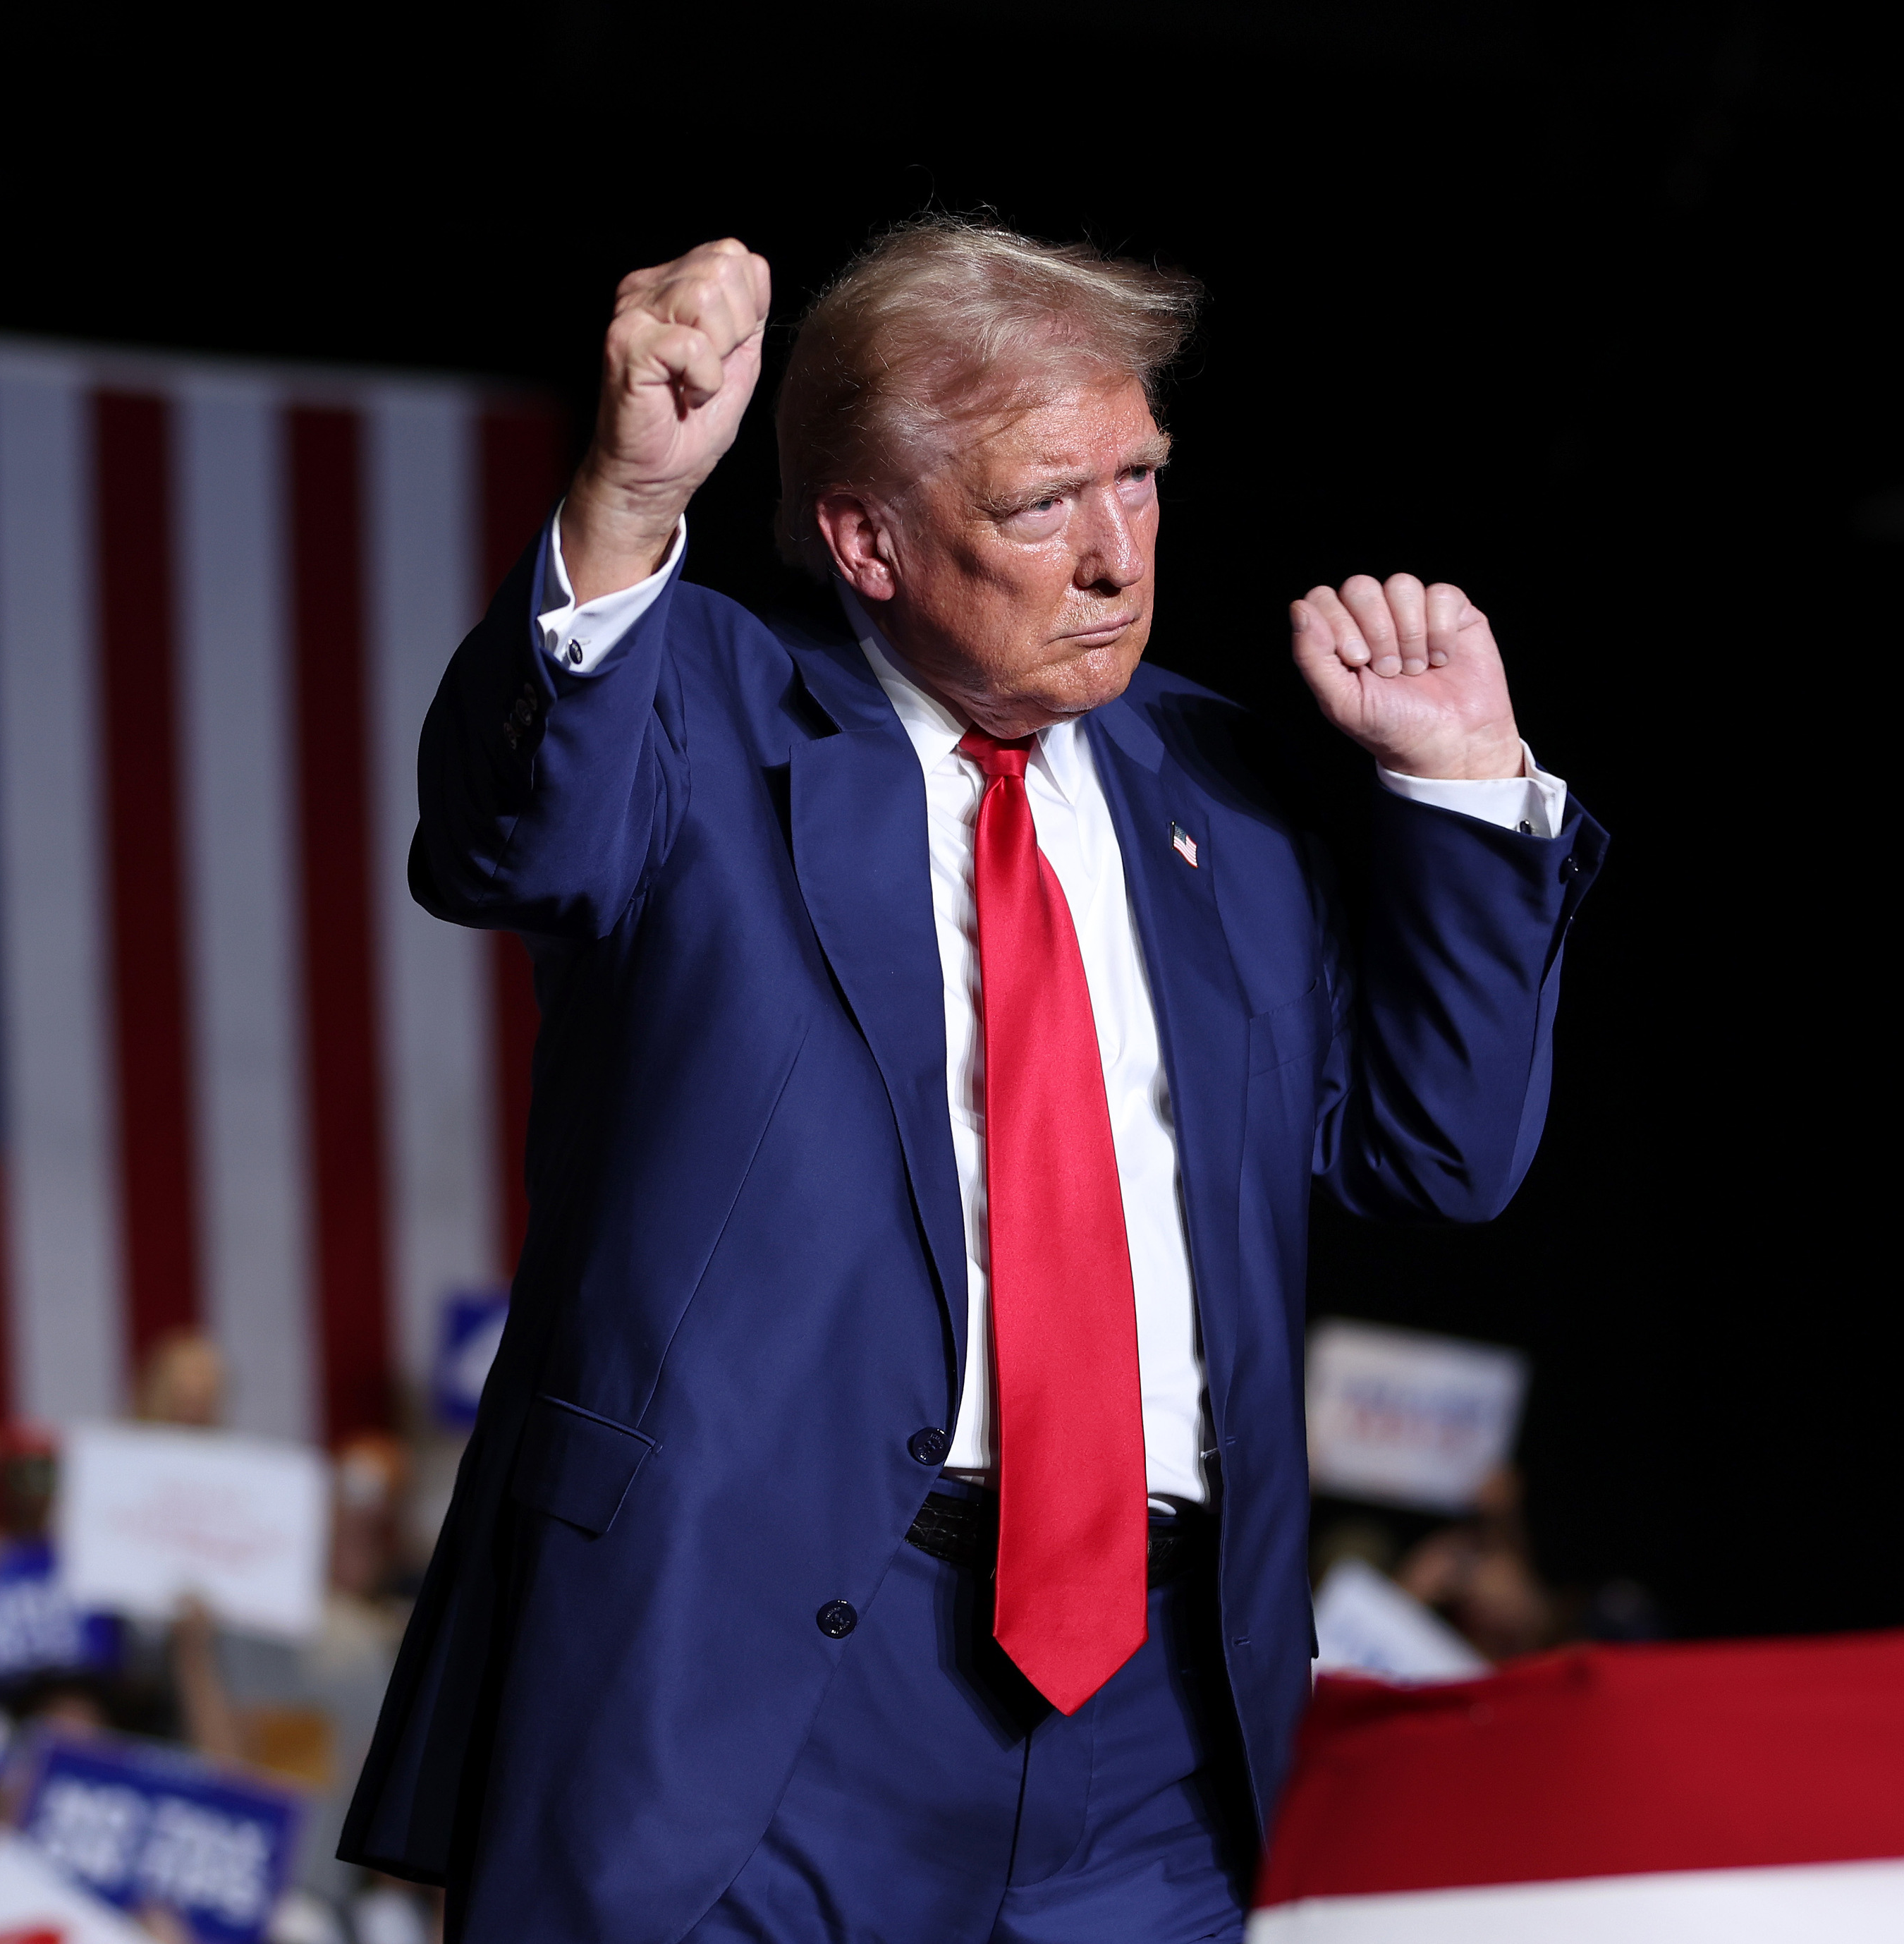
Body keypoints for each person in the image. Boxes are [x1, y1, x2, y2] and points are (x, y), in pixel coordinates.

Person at [341, 218, 1606, 1940]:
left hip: (1159, 1731)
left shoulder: (1219, 788)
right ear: (865, 537)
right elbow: (512, 839)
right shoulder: (707, 707)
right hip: (753, 1692)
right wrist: (629, 503)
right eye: (1038, 504)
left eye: (1138, 480)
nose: (1113, 556)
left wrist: (1462, 792)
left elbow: (1437, 1154)